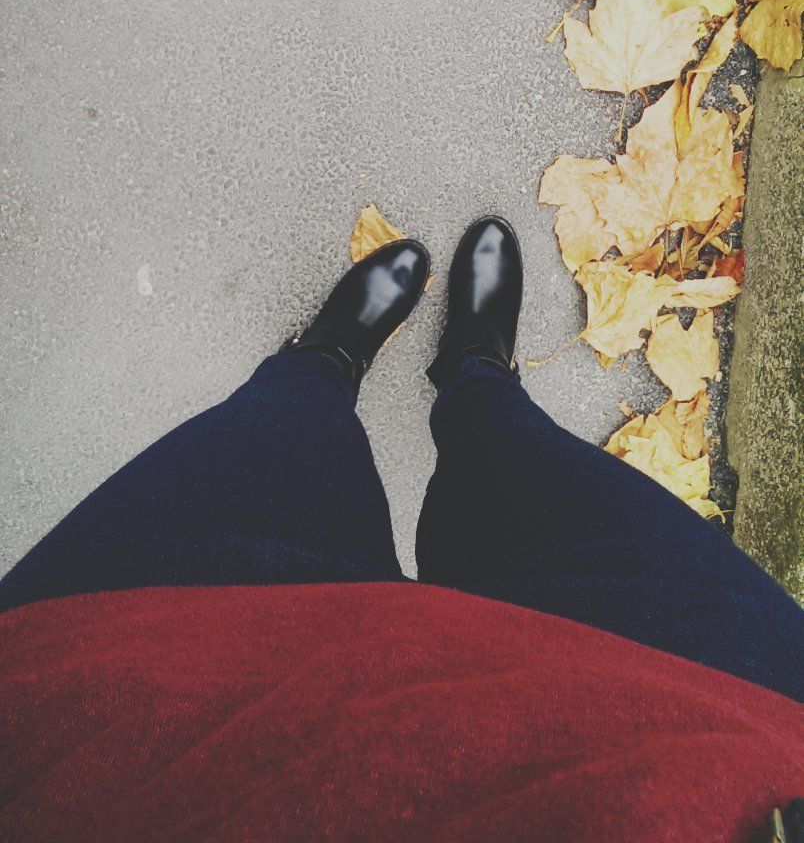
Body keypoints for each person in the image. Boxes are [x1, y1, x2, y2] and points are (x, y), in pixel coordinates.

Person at [1, 217, 802, 842]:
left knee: (273, 453)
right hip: (718, 721)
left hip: (140, 730)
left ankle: (324, 363)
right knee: (520, 464)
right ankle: (474, 368)